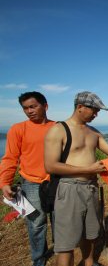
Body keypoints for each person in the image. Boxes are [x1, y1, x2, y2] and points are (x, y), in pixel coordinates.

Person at [44, 91, 108, 266]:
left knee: (90, 235)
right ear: (80, 107)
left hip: (90, 188)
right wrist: (88, 168)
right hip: (69, 189)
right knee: (66, 244)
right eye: (94, 110)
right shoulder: (58, 130)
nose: (96, 114)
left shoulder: (94, 133)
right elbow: (51, 165)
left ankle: (89, 263)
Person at [0, 91, 55, 266]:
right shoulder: (18, 129)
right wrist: (5, 183)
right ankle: (39, 260)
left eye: (33, 106)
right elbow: (10, 158)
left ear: (45, 106)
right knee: (36, 223)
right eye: (25, 108)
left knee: (58, 220)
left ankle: (62, 253)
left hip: (56, 181)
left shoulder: (58, 127)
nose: (29, 111)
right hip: (31, 182)